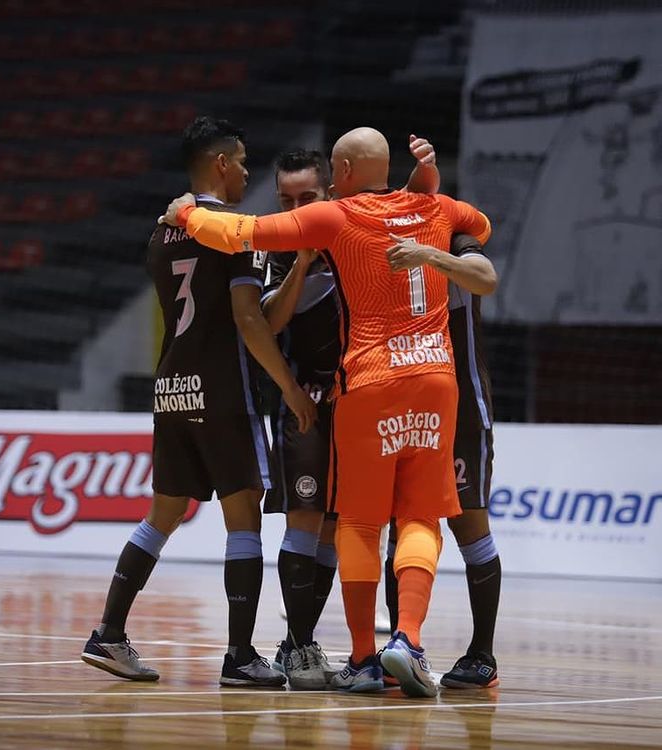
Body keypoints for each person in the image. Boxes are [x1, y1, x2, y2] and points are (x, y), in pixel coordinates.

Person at [160, 126, 491, 698]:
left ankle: (363, 658)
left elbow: (244, 232)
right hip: (436, 382)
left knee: (360, 524)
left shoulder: (335, 217)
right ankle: (407, 640)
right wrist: (427, 191)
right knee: (419, 519)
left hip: (369, 382)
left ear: (339, 171)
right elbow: (479, 226)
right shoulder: (436, 206)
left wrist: (187, 215)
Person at [81, 116, 316, 688]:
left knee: (162, 514)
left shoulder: (161, 233)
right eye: (239, 161)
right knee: (243, 515)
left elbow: (220, 308)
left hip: (171, 386)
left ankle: (108, 633)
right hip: (222, 387)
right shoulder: (231, 230)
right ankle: (239, 655)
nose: (245, 171)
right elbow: (247, 319)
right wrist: (288, 387)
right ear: (219, 164)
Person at [261, 141, 439, 690]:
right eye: (285, 199)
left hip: (369, 393)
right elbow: (267, 322)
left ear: (331, 189)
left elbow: (422, 209)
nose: (295, 209)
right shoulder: (288, 245)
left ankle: (386, 651)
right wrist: (305, 261)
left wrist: (426, 171)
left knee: (355, 525)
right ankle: (299, 647)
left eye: (306, 197)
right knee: (307, 520)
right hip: (310, 399)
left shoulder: (354, 225)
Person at [384, 231, 500, 689]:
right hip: (406, 405)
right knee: (403, 522)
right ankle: (403, 645)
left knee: (469, 524)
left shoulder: (457, 236)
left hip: (465, 410)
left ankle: (483, 655)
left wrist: (428, 254)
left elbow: (486, 278)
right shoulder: (388, 235)